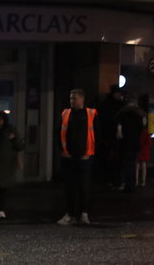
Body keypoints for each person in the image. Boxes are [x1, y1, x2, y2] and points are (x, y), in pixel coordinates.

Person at [58, 88, 98, 226]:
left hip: (85, 157)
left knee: (83, 187)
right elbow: (59, 132)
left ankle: (83, 213)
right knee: (70, 187)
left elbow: (96, 134)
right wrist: (63, 150)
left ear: (82, 99)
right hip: (69, 156)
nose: (71, 101)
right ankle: (70, 213)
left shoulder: (90, 114)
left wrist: (88, 153)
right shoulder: (66, 113)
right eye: (70, 98)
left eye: (74, 98)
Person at [0, 111, 25, 221]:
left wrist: (13, 139)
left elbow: (19, 146)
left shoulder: (11, 132)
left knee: (2, 190)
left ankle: (0, 210)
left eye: (1, 119)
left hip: (5, 166)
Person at [115, 95, 146, 192]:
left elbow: (119, 131)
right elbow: (142, 128)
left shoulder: (122, 114)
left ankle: (125, 183)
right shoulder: (139, 115)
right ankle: (132, 184)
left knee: (125, 164)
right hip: (135, 143)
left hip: (125, 143)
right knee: (133, 164)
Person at [94, 85, 123, 187]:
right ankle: (113, 179)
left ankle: (110, 179)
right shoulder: (119, 106)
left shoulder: (105, 105)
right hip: (112, 138)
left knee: (110, 159)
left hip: (109, 138)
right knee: (113, 160)